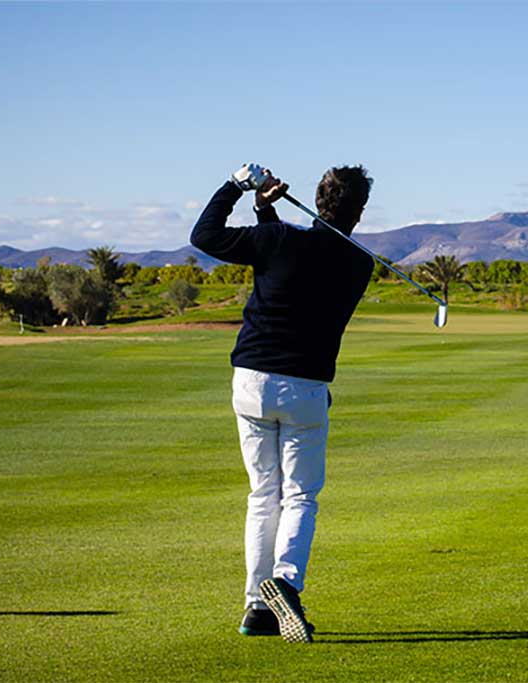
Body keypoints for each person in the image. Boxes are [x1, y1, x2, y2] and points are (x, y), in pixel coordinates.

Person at [190, 163, 374, 643]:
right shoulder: (360, 264)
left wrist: (239, 189)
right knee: (299, 496)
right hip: (306, 388)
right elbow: (305, 262)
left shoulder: (278, 241)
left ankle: (257, 607)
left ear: (318, 200)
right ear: (360, 211)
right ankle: (287, 584)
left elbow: (205, 236)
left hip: (251, 380)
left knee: (262, 495)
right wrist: (266, 214)